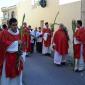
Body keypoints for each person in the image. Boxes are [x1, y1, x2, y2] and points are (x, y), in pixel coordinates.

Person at [0, 18, 24, 85]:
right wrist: (16, 43)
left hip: (17, 57)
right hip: (9, 58)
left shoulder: (19, 32)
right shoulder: (5, 33)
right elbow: (3, 43)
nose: (15, 26)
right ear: (10, 25)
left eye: (16, 24)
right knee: (8, 74)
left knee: (17, 72)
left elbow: (22, 43)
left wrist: (21, 50)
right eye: (13, 25)